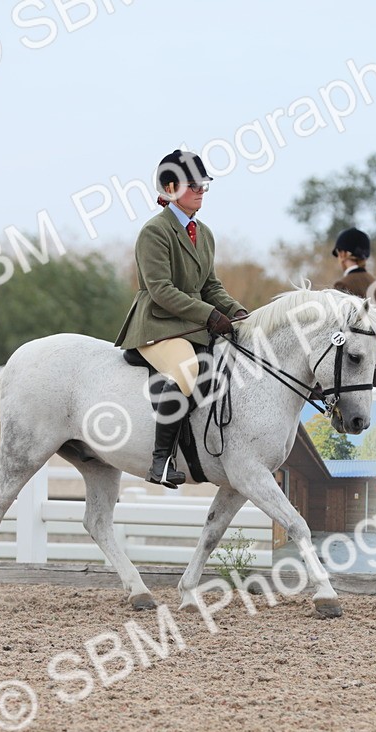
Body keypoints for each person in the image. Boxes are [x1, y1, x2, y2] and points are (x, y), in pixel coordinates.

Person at [114, 150, 248, 488]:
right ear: (170, 187)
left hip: (190, 326)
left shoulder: (203, 232)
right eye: (194, 184)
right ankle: (160, 462)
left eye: (205, 184)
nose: (202, 190)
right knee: (188, 371)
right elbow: (161, 291)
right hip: (157, 324)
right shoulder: (154, 232)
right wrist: (209, 314)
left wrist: (236, 312)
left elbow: (210, 285)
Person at [331, 227, 376, 361]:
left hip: (358, 356)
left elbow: (338, 326)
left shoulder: (342, 284)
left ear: (343, 254)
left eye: (338, 253)